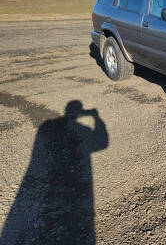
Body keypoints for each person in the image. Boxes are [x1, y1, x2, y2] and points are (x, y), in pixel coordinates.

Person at [0, 101, 108, 245]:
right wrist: (97, 119)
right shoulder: (79, 128)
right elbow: (102, 143)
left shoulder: (47, 126)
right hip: (76, 181)